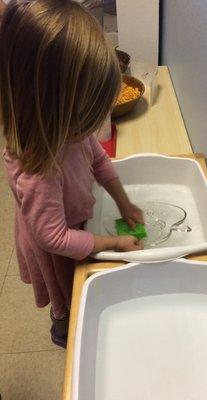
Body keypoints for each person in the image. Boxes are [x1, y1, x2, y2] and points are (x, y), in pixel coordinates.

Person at [0, 0, 144, 348]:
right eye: (90, 114)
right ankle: (63, 330)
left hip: (68, 221)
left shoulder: (70, 131)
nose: (94, 126)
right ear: (58, 106)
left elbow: (98, 161)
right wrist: (112, 242)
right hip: (55, 242)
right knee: (68, 295)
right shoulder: (39, 172)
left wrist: (125, 203)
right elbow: (55, 239)